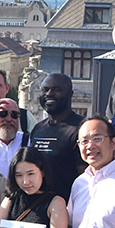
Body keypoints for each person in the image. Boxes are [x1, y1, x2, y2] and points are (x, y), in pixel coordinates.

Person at [30, 73, 86, 202]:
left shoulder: (82, 129)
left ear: (70, 94)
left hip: (68, 210)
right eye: (45, 89)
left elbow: (86, 178)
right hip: (38, 208)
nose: (49, 94)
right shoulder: (37, 129)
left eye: (57, 90)